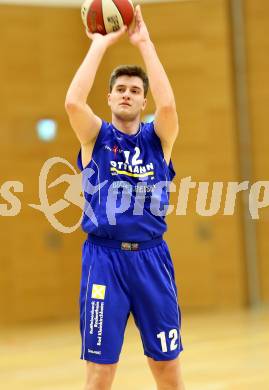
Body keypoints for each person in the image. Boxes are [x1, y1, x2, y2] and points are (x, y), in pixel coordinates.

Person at [65, 5, 185, 390]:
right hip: (104, 261)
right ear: (110, 97)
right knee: (100, 376)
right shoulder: (94, 137)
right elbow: (72, 103)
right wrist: (100, 44)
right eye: (121, 89)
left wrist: (144, 42)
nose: (127, 94)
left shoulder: (158, 139)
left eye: (135, 90)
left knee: (167, 370)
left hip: (152, 259)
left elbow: (169, 106)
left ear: (143, 102)